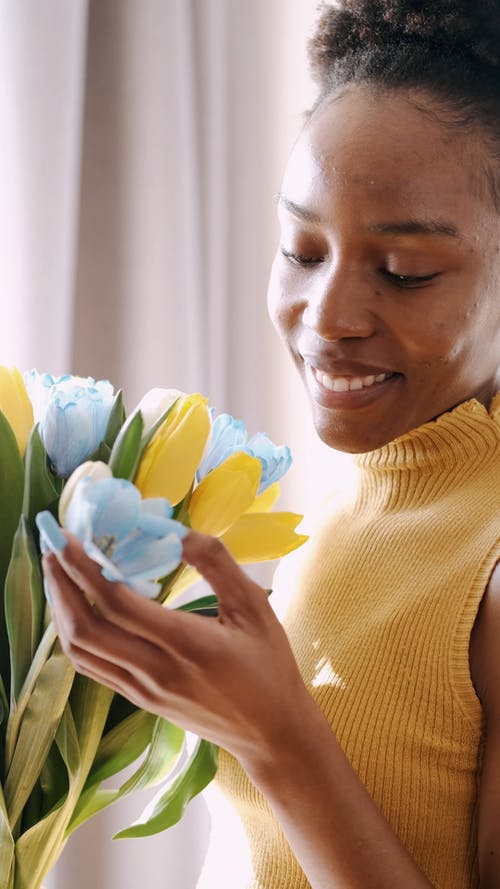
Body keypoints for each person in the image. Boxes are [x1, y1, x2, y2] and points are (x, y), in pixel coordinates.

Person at [42, 1, 500, 887]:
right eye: (301, 248)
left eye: (404, 273)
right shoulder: (356, 492)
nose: (326, 318)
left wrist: (277, 735)